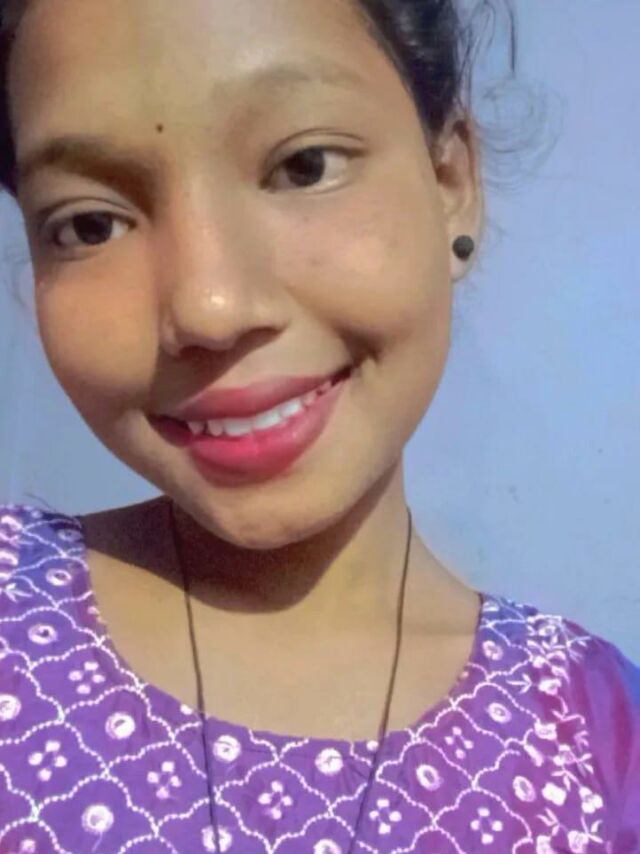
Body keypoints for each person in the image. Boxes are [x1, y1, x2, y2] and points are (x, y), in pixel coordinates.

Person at [0, 0, 638, 851]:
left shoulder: (595, 744)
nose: (209, 306)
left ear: (451, 183)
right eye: (90, 224)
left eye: (305, 166)